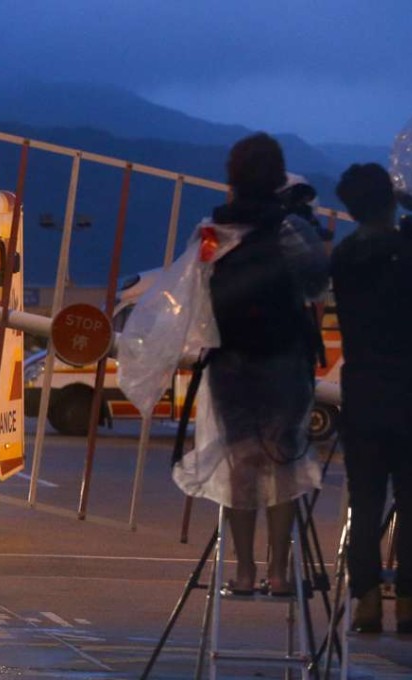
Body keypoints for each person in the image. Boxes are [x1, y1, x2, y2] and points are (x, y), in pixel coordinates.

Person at [172, 132, 329, 596]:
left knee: (240, 459)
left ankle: (241, 571)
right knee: (283, 458)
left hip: (230, 361)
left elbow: (194, 289)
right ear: (279, 177)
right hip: (283, 357)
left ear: (232, 178)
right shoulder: (290, 229)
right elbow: (316, 282)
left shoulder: (211, 231)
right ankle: (278, 572)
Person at [331, 163, 412, 634]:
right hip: (408, 390)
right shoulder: (405, 252)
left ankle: (364, 599)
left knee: (364, 502)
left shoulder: (344, 258)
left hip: (361, 390)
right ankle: (407, 599)